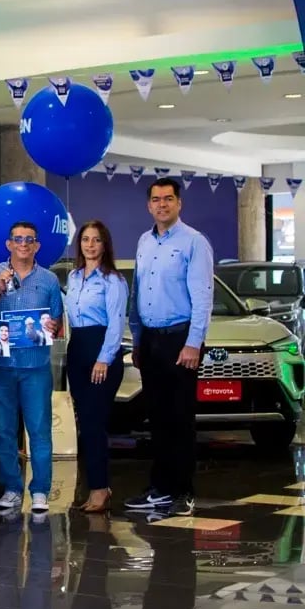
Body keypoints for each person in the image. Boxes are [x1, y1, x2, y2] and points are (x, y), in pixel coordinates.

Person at [125, 177, 214, 517]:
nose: (161, 205)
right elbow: (138, 293)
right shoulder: (145, 241)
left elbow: (203, 297)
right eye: (156, 200)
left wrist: (194, 343)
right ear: (149, 205)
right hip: (150, 340)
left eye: (168, 199)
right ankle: (159, 488)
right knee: (158, 419)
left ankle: (182, 491)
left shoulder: (193, 242)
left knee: (179, 420)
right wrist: (137, 339)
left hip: (180, 341)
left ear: (179, 204)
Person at [0, 221, 64, 513]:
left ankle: (40, 490)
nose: (23, 244)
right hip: (1, 366)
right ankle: (12, 488)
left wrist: (54, 326)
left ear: (37, 245)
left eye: (29, 239)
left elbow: (56, 322)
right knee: (4, 431)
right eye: (17, 239)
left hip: (36, 368)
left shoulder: (49, 280)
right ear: (8, 244)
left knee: (39, 431)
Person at [65, 220, 128, 513]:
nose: (90, 245)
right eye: (86, 239)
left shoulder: (113, 280)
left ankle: (101, 489)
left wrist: (104, 358)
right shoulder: (75, 277)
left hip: (101, 353)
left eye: (96, 240)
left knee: (94, 424)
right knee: (85, 425)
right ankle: (95, 489)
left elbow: (116, 322)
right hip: (77, 350)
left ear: (105, 245)